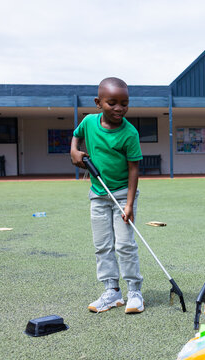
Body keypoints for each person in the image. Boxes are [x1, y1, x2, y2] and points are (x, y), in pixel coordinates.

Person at [70, 77, 145, 314]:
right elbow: (76, 135)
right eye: (112, 103)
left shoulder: (129, 133)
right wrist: (74, 151)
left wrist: (130, 204)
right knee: (102, 245)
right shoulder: (89, 122)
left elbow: (134, 169)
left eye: (124, 103)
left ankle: (134, 291)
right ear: (98, 103)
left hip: (122, 195)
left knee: (124, 245)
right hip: (98, 195)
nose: (119, 108)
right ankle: (112, 291)